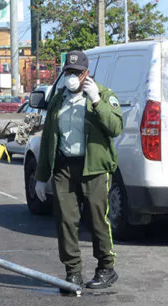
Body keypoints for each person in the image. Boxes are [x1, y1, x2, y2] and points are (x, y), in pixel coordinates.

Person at [34, 50, 123, 291]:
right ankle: (72, 272)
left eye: (76, 72)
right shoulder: (58, 99)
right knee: (65, 220)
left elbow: (115, 127)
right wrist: (41, 178)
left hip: (93, 167)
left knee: (97, 219)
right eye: (68, 72)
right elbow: (48, 139)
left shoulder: (103, 94)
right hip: (65, 166)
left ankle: (106, 268)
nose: (71, 77)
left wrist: (96, 102)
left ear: (86, 73)